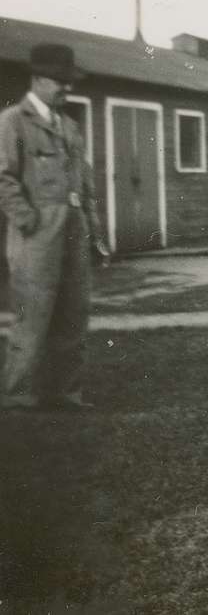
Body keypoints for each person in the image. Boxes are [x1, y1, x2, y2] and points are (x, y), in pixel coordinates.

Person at [0, 44, 108, 410]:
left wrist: (94, 233)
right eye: (61, 82)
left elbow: (85, 186)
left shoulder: (70, 126)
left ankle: (66, 392)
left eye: (69, 82)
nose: (67, 88)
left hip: (74, 230)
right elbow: (4, 179)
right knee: (32, 316)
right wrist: (29, 221)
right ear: (38, 79)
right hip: (37, 236)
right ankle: (18, 396)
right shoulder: (13, 121)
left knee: (73, 315)